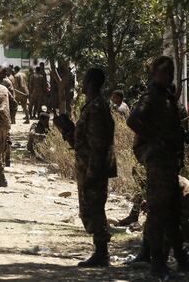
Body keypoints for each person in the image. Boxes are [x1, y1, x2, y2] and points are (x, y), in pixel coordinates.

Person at [127, 56, 189, 277]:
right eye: (164, 71)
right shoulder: (152, 96)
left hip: (169, 162)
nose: (168, 75)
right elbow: (133, 120)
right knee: (158, 212)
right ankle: (157, 264)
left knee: (173, 212)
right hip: (158, 162)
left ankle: (181, 259)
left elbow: (171, 127)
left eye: (170, 71)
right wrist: (156, 139)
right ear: (155, 73)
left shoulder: (167, 97)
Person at [73, 68, 117, 267]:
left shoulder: (97, 107)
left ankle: (102, 253)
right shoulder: (92, 105)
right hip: (87, 165)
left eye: (84, 79)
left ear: (90, 82)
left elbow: (98, 143)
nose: (81, 82)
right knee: (89, 208)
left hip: (93, 167)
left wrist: (92, 171)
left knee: (94, 208)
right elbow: (86, 138)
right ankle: (100, 251)